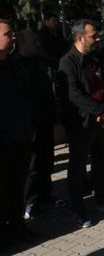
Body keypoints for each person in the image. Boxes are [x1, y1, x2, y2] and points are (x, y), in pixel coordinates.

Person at [56, 20, 104, 229]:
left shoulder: (96, 57)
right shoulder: (68, 62)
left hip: (102, 120)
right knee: (77, 166)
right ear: (79, 38)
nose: (97, 39)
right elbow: (73, 94)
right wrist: (98, 110)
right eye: (93, 36)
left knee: (101, 161)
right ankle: (78, 209)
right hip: (81, 123)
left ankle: (103, 198)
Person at [0, 20, 34, 249]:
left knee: (17, 186)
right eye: (7, 33)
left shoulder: (15, 63)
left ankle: (17, 226)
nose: (13, 37)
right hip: (2, 139)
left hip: (20, 135)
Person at [17, 30, 56, 220]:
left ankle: (46, 196)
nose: (38, 45)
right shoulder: (17, 65)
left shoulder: (42, 63)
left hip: (46, 120)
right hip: (29, 124)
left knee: (47, 161)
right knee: (32, 166)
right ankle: (29, 201)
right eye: (34, 42)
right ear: (23, 43)